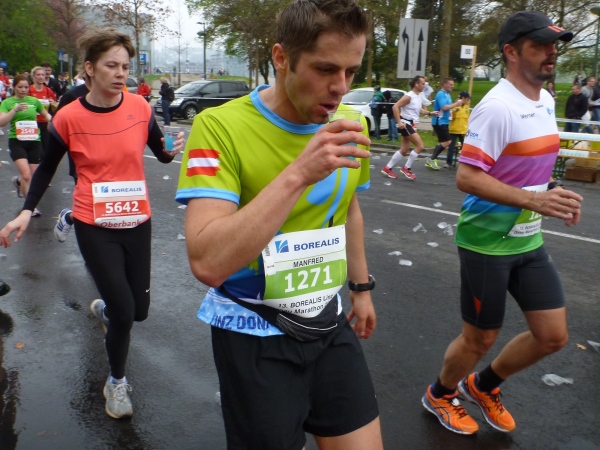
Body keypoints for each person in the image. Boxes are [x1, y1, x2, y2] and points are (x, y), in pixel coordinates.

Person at [176, 0, 383, 448]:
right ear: (281, 57)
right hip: (253, 329)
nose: (340, 87)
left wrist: (361, 288)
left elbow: (348, 208)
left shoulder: (351, 124)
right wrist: (298, 174)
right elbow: (208, 261)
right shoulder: (219, 127)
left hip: (326, 319)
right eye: (325, 69)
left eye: (351, 71)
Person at [0, 28, 184, 420]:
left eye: (126, 67)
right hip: (94, 222)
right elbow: (46, 168)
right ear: (89, 68)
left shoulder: (140, 107)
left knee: (138, 312)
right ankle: (116, 382)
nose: (121, 74)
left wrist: (170, 152)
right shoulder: (68, 117)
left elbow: (159, 152)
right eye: (111, 66)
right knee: (124, 311)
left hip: (137, 219)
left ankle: (107, 312)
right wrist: (25, 210)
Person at [422, 11, 583, 435]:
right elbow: (467, 177)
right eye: (539, 46)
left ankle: (482, 385)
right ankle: (440, 394)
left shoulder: (544, 100)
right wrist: (535, 199)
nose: (551, 53)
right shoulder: (497, 107)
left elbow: (524, 169)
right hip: (486, 243)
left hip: (527, 241)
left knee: (552, 336)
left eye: (553, 46)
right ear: (511, 52)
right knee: (480, 338)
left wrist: (554, 193)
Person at [0, 74, 52, 216]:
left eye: (26, 87)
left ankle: (18, 181)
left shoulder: (34, 101)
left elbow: (46, 115)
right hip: (17, 141)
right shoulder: (7, 103)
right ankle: (30, 207)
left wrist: (53, 121)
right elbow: (1, 122)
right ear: (14, 87)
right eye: (20, 87)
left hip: (34, 141)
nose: (23, 90)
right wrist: (15, 110)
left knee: (33, 176)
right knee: (27, 175)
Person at [381, 75, 437, 180]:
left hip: (412, 125)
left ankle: (387, 168)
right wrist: (399, 122)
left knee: (404, 149)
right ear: (416, 84)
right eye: (422, 84)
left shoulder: (418, 96)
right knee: (420, 146)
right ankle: (406, 168)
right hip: (406, 124)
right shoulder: (409, 96)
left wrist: (430, 113)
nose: (424, 86)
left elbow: (419, 110)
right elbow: (395, 106)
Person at [426, 77, 464, 170]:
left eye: (453, 84)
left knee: (442, 142)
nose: (452, 86)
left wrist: (455, 103)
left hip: (444, 121)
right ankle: (431, 159)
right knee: (448, 142)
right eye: (450, 84)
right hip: (439, 121)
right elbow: (444, 107)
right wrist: (455, 104)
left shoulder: (447, 94)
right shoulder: (440, 94)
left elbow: (448, 107)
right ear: (444, 84)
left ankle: (431, 160)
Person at [28, 66, 58, 157]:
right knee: (36, 150)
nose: (41, 77)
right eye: (38, 75)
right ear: (33, 76)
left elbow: (54, 109)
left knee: (46, 150)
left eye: (42, 75)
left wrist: (53, 104)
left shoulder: (48, 91)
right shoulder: (29, 90)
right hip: (32, 123)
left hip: (45, 123)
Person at [445, 91, 471, 168]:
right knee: (451, 147)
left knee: (465, 147)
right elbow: (450, 117)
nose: (468, 101)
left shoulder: (466, 107)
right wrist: (454, 110)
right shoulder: (454, 106)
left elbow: (467, 119)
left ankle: (466, 163)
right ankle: (448, 162)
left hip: (463, 130)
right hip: (454, 130)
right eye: (467, 99)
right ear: (463, 98)